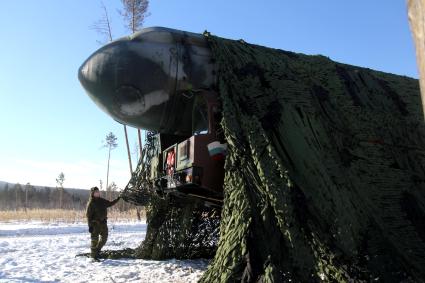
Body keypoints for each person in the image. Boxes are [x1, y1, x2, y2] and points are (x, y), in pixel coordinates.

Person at [86, 186, 121, 259]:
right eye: (96, 192)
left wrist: (118, 198)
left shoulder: (102, 201)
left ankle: (97, 251)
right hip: (95, 224)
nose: (97, 193)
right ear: (92, 193)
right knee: (94, 241)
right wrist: (90, 226)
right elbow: (88, 216)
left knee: (104, 239)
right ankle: (93, 256)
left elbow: (110, 203)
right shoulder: (91, 203)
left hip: (103, 224)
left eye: (98, 192)